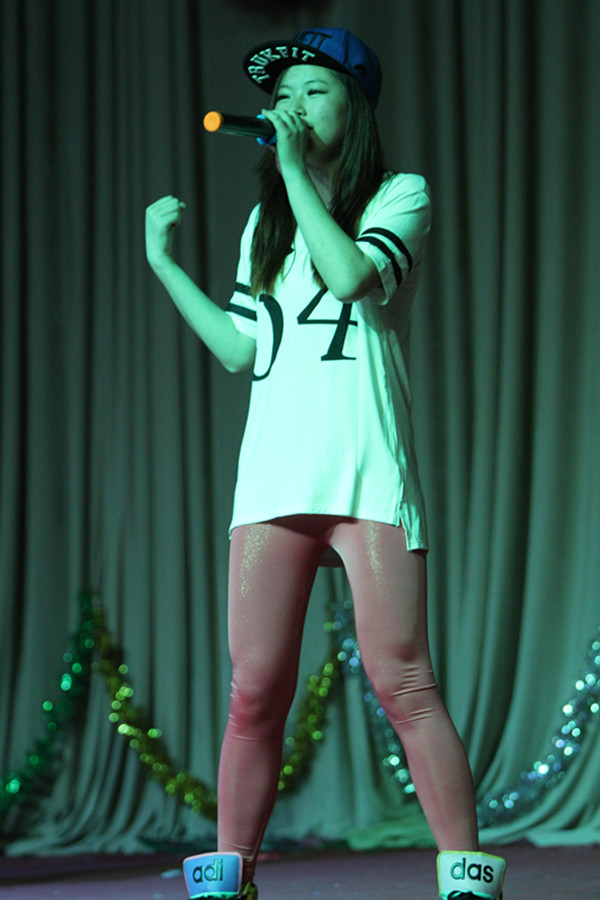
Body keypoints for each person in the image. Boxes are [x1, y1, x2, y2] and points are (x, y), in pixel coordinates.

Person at [145, 27, 506, 900]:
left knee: (404, 681)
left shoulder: (400, 193)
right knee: (254, 691)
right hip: (274, 478)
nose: (294, 107)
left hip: (366, 471)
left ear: (356, 104)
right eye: (285, 96)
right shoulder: (265, 224)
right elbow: (241, 350)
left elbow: (350, 278)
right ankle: (229, 878)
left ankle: (466, 877)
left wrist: (297, 176)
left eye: (315, 90)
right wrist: (162, 265)